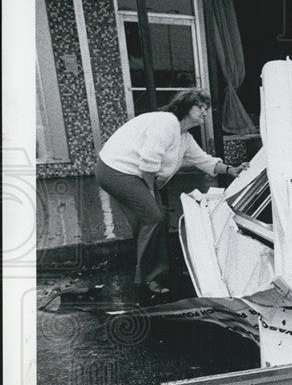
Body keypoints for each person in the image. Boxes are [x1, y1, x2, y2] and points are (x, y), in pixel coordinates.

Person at [95, 89, 248, 299]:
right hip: (116, 170)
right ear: (185, 106)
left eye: (207, 108)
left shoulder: (184, 135)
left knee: (157, 216)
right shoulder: (167, 123)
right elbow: (148, 162)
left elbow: (203, 160)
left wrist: (231, 170)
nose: (205, 112)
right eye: (200, 107)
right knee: (153, 216)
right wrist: (150, 192)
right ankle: (148, 279)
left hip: (135, 173)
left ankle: (153, 271)